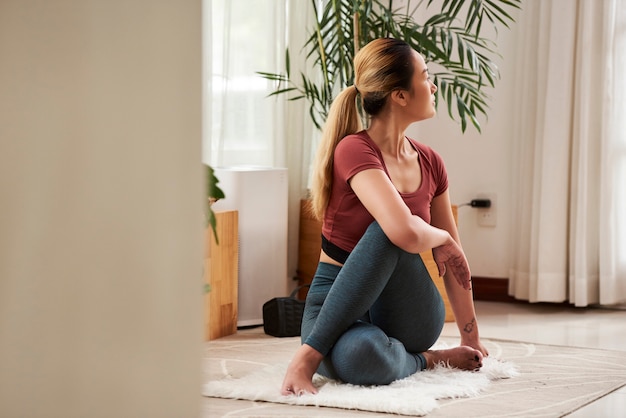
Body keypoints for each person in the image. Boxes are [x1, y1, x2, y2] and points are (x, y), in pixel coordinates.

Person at [281, 37, 489, 396]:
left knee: (395, 229)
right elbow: (406, 233)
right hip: (335, 306)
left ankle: (314, 358)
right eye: (425, 77)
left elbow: (454, 259)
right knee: (364, 359)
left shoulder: (430, 162)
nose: (434, 85)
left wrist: (472, 337)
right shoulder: (353, 149)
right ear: (400, 95)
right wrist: (440, 237)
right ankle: (425, 359)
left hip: (406, 306)